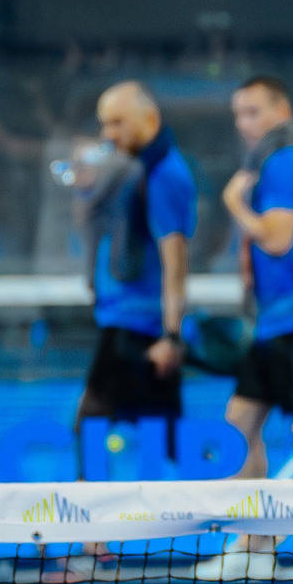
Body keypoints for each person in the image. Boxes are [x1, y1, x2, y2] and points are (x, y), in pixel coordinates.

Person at [190, 75, 293, 583]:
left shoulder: (284, 161)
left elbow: (278, 238)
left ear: (282, 111)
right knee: (239, 425)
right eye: (239, 114)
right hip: (276, 324)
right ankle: (255, 544)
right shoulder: (282, 160)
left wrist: (234, 203)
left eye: (255, 112)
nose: (246, 123)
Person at [71, 81, 197, 469]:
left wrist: (170, 336)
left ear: (150, 120)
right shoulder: (134, 169)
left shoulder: (164, 175)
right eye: (104, 124)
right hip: (127, 320)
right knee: (172, 442)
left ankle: (90, 512)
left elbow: (175, 261)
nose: (109, 134)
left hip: (138, 328)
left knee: (90, 427)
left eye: (118, 123)